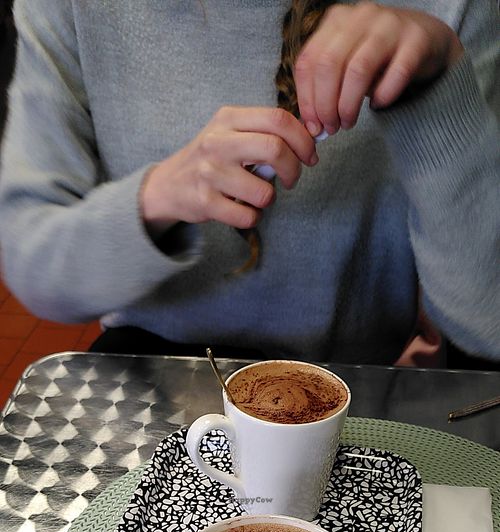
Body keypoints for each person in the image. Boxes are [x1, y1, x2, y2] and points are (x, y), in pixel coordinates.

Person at [0, 0, 498, 365]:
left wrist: (438, 90)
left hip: (359, 391)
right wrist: (155, 198)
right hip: (147, 385)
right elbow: (32, 261)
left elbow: (489, 327)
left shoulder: (454, 9)